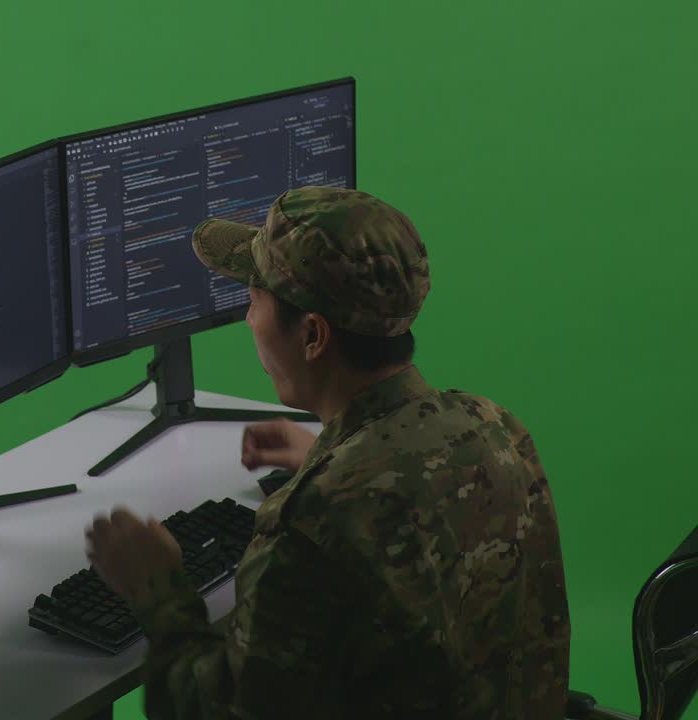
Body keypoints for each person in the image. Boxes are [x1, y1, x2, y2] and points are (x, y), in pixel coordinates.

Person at [84, 186, 571, 719]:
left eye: (252, 302)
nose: (248, 322)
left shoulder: (316, 522)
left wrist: (157, 587)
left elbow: (212, 711)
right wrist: (332, 452)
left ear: (313, 335)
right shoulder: (496, 426)